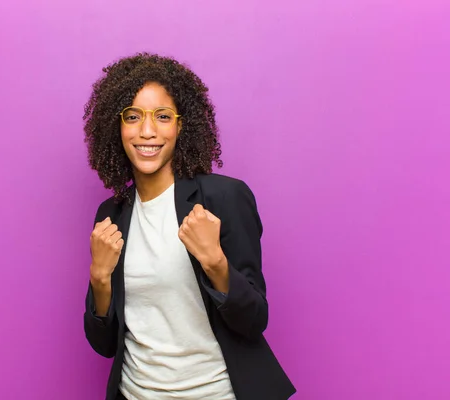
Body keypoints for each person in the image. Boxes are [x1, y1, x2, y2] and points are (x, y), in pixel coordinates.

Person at [82, 53, 295, 400]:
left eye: (162, 117)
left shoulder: (223, 198)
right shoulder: (112, 215)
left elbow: (255, 320)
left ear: (181, 126)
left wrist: (215, 262)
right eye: (133, 117)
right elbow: (104, 344)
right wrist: (99, 278)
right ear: (115, 126)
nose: (147, 131)